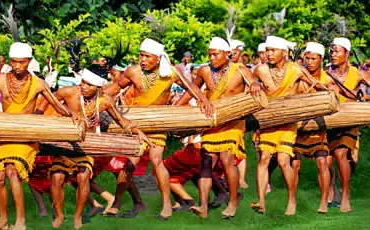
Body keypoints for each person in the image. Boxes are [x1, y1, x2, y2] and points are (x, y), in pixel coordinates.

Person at [104, 37, 213, 220]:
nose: (142, 60)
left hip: (157, 123)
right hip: (136, 123)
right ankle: (116, 203)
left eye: (147, 56)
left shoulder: (170, 73)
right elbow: (111, 91)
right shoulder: (133, 72)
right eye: (141, 55)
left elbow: (191, 87)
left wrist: (204, 100)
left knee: (156, 160)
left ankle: (167, 205)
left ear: (158, 57)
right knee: (129, 164)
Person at [36, 65, 151, 228]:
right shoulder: (68, 92)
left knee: (83, 178)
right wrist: (38, 118)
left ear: (98, 87)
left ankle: (77, 217)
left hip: (86, 146)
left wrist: (137, 131)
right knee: (57, 177)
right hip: (65, 144)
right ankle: (60, 216)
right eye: (83, 82)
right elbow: (49, 98)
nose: (84, 86)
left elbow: (121, 120)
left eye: (89, 85)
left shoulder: (104, 100)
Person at [0, 42, 76, 230]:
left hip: (26, 135)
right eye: (14, 62)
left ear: (29, 61)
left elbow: (56, 105)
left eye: (22, 62)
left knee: (12, 171)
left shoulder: (39, 83)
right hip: (5, 134)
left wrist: (73, 115)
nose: (17, 66)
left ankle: (21, 222)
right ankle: (2, 221)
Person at [175, 36, 256, 219]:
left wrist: (256, 85)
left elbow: (254, 83)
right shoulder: (204, 70)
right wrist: (179, 107)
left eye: (215, 55)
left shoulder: (241, 70)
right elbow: (193, 90)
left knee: (227, 158)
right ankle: (203, 206)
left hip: (233, 123)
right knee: (205, 162)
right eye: (209, 55)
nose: (211, 58)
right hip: (212, 121)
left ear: (227, 54)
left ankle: (233, 202)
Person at [249, 36, 318, 215]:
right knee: (264, 158)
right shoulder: (260, 70)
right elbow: (248, 81)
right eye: (267, 50)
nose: (268, 54)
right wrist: (255, 83)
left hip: (288, 122)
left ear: (284, 52)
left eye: (273, 50)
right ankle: (261, 202)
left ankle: (291, 200)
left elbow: (315, 85)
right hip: (269, 120)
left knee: (282, 160)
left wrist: (328, 93)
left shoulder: (296, 69)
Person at [324, 37, 370, 212]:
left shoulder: (357, 73)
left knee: (341, 155)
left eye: (337, 51)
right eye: (332, 51)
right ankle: (332, 190)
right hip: (329, 121)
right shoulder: (326, 72)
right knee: (327, 161)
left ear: (347, 54)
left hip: (349, 120)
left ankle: (345, 196)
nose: (333, 55)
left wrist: (359, 96)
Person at [292, 42, 330, 213]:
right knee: (295, 165)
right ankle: (291, 201)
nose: (310, 61)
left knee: (322, 162)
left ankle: (323, 202)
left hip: (319, 127)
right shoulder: (298, 75)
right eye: (307, 58)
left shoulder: (328, 78)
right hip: (299, 127)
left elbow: (334, 98)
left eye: (314, 58)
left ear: (321, 59)